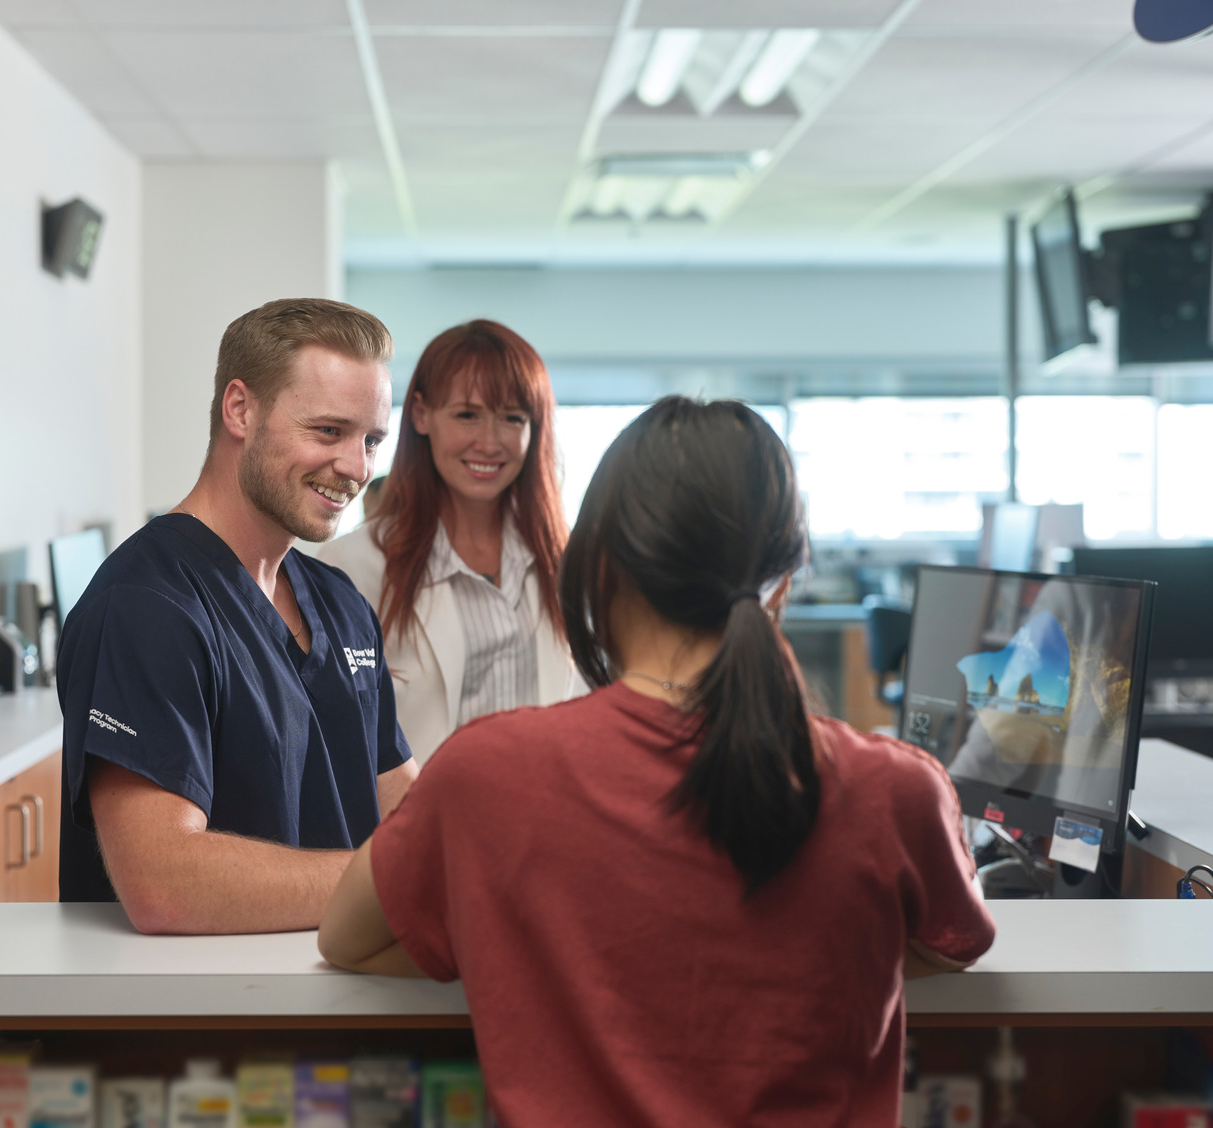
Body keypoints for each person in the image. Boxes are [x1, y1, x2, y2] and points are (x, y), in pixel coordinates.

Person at [319, 398, 995, 1126]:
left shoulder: (484, 774)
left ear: (598, 566)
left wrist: (511, 950)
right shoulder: (896, 789)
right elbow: (951, 946)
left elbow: (347, 940)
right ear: (782, 580)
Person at [55, 298, 418, 933]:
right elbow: (164, 883)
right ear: (240, 410)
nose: (358, 468)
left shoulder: (341, 604)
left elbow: (404, 804)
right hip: (204, 1018)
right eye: (328, 431)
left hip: (337, 998)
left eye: (371, 440)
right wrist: (401, 879)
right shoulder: (147, 605)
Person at [319, 320, 575, 765]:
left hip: (552, 826)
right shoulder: (352, 567)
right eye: (467, 415)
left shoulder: (568, 563)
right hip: (424, 829)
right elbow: (338, 743)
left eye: (512, 418)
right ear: (420, 414)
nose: (489, 442)